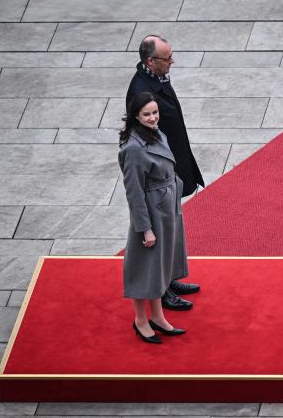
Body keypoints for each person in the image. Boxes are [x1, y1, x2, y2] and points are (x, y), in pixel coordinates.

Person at [126, 34, 203, 311]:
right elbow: (143, 146)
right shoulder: (140, 91)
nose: (172, 61)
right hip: (157, 182)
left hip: (170, 172)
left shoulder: (157, 78)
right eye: (167, 58)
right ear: (150, 61)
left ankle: (169, 279)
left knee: (171, 232)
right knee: (158, 237)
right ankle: (162, 290)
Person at [118, 92, 188, 344]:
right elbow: (134, 193)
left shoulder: (157, 133)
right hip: (151, 210)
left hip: (165, 206)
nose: (152, 117)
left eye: (154, 112)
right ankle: (140, 320)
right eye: (146, 114)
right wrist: (145, 229)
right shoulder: (134, 149)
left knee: (158, 265)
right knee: (143, 267)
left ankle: (157, 316)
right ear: (136, 116)